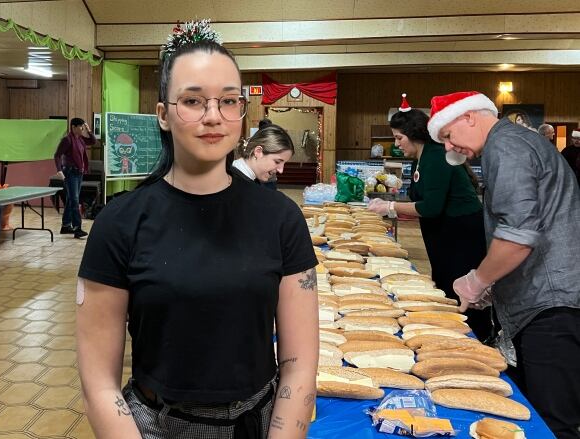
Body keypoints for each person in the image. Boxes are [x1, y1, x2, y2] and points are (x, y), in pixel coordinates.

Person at [76, 20, 318, 439]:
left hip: (254, 424)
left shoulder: (281, 218)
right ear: (163, 115)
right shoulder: (119, 223)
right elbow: (99, 381)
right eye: (192, 100)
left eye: (228, 101)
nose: (213, 117)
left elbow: (298, 368)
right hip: (156, 425)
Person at [427, 90, 580, 439]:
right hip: (545, 299)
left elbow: (518, 235)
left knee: (551, 423)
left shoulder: (505, 146)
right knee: (532, 415)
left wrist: (477, 280)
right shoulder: (512, 143)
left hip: (551, 304)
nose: (450, 150)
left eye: (448, 136)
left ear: (469, 117)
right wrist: (493, 283)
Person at [367, 93, 493, 341]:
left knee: (458, 287)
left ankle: (473, 337)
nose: (397, 143)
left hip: (460, 233)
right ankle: (451, 333)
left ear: (414, 135)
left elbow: (430, 207)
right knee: (445, 281)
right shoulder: (421, 158)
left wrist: (391, 206)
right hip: (443, 233)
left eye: (399, 138)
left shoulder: (436, 155)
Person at [54, 117, 96, 239]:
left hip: (79, 173)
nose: (82, 128)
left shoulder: (80, 139)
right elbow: (57, 155)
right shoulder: (67, 140)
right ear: (73, 127)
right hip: (70, 173)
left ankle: (66, 225)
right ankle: (77, 228)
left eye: (83, 126)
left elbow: (93, 142)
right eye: (81, 126)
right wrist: (59, 170)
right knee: (75, 200)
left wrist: (89, 131)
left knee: (71, 199)